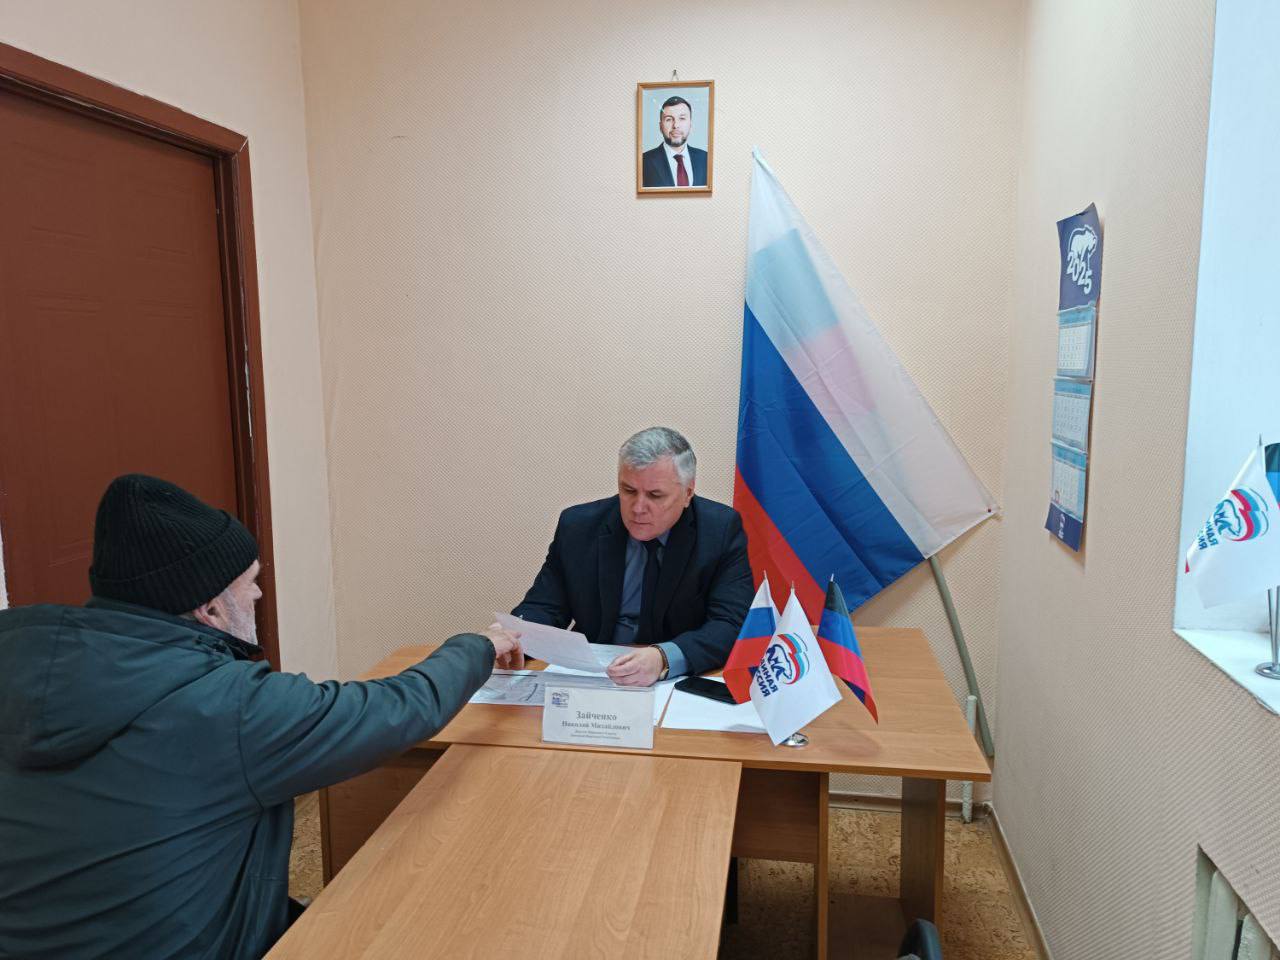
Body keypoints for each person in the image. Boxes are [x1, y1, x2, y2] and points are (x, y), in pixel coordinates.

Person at [0, 474, 521, 960]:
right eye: (249, 582)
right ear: (210, 608)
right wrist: (476, 645)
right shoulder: (226, 706)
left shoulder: (15, 661)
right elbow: (397, 708)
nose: (258, 594)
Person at [514, 426, 753, 685]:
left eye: (655, 495)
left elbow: (731, 624)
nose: (638, 508)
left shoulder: (719, 531)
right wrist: (513, 634)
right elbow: (545, 606)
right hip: (595, 675)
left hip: (674, 680)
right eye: (628, 491)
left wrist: (664, 657)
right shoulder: (579, 527)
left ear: (687, 493)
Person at [640, 96, 708, 188]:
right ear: (660, 126)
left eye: (682, 118)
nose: (675, 125)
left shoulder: (706, 159)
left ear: (690, 125)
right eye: (669, 119)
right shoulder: (644, 161)